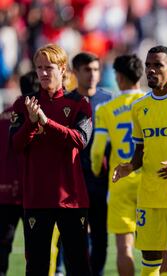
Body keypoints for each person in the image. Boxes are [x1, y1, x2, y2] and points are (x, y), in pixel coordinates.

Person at [9, 44, 92, 275]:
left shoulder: (79, 102)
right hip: (37, 198)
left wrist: (46, 122)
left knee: (79, 266)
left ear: (63, 69)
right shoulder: (24, 104)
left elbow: (80, 140)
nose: (44, 73)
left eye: (49, 68)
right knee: (35, 267)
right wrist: (32, 122)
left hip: (72, 199)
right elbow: (15, 145)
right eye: (39, 68)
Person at [111, 46, 167, 276]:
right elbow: (140, 150)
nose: (151, 70)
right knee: (150, 261)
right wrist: (129, 166)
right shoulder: (139, 107)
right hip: (149, 197)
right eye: (148, 65)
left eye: (157, 65)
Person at [90, 54, 146, 276]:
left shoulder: (106, 108)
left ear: (119, 78)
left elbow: (97, 151)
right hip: (148, 181)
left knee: (124, 248)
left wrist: (96, 172)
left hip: (120, 183)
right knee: (157, 246)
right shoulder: (150, 103)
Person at [72, 51, 113, 276]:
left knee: (100, 236)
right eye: (87, 70)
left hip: (100, 180)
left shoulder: (108, 100)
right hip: (73, 181)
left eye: (96, 69)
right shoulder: (67, 101)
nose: (93, 74)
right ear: (75, 72)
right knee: (72, 235)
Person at [0, 71, 39, 276]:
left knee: (2, 247)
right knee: (37, 248)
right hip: (31, 192)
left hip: (4, 191)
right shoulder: (37, 117)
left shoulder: (4, 115)